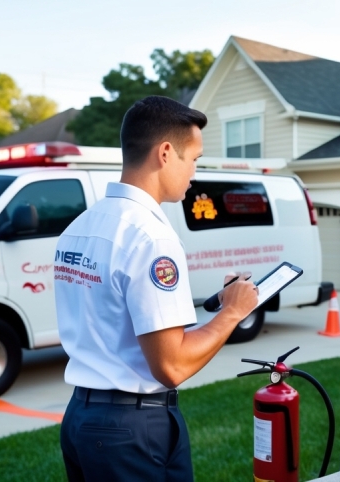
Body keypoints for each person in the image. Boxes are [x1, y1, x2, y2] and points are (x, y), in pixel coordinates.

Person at [54, 95, 259, 481]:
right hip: (130, 429)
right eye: (194, 159)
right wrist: (234, 311)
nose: (194, 173)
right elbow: (171, 365)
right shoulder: (151, 238)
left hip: (81, 417)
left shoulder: (79, 226)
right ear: (166, 153)